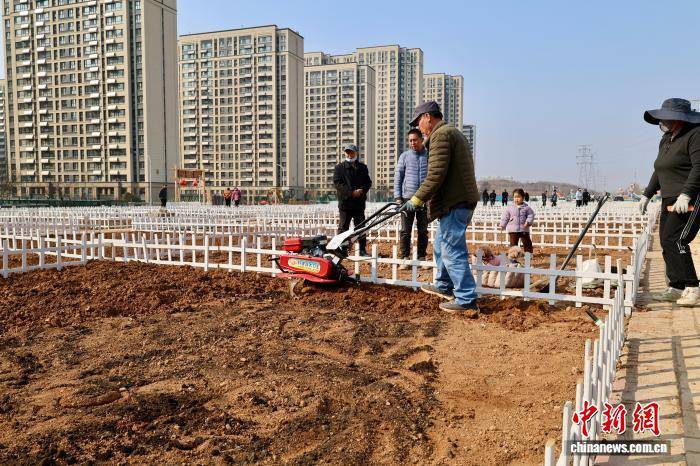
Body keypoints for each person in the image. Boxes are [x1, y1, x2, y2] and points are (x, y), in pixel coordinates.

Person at [401, 101, 480, 315]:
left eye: (418, 122)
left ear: (427, 117)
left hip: (456, 202)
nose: (418, 128)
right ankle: (444, 285)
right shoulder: (447, 133)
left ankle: (466, 299)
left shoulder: (441, 135)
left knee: (452, 250)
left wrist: (416, 199)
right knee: (440, 246)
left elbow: (435, 175)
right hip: (456, 201)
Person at [639, 98, 700, 305]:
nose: (661, 122)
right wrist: (647, 194)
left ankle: (692, 287)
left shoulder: (695, 134)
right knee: (666, 240)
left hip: (690, 197)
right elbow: (659, 168)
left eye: (665, 118)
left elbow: (699, 167)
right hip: (669, 197)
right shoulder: (666, 139)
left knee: (677, 239)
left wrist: (687, 193)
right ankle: (676, 286)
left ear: (678, 119)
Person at [394, 128, 429, 269]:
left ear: (421, 139)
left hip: (424, 199)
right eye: (410, 140)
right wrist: (398, 197)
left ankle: (421, 257)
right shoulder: (404, 156)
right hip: (407, 199)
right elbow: (398, 177)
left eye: (415, 140)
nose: (412, 143)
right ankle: (404, 258)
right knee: (405, 230)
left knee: (423, 230)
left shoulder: (428, 155)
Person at [334, 144, 372, 257]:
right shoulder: (339, 168)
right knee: (343, 227)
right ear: (345, 153)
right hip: (345, 204)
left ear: (356, 153)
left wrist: (362, 190)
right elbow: (338, 183)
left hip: (359, 204)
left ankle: (362, 250)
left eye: (351, 152)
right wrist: (351, 192)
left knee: (361, 227)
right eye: (347, 152)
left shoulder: (362, 167)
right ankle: (342, 250)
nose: (349, 154)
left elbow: (368, 182)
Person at [500, 188, 535, 253]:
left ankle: (528, 255)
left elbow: (531, 215)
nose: (516, 199)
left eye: (518, 197)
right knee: (513, 244)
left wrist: (528, 222)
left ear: (523, 197)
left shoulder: (527, 208)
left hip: (524, 229)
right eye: (515, 197)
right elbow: (505, 217)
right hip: (513, 229)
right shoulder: (509, 208)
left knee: (527, 243)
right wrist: (503, 224)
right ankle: (513, 256)